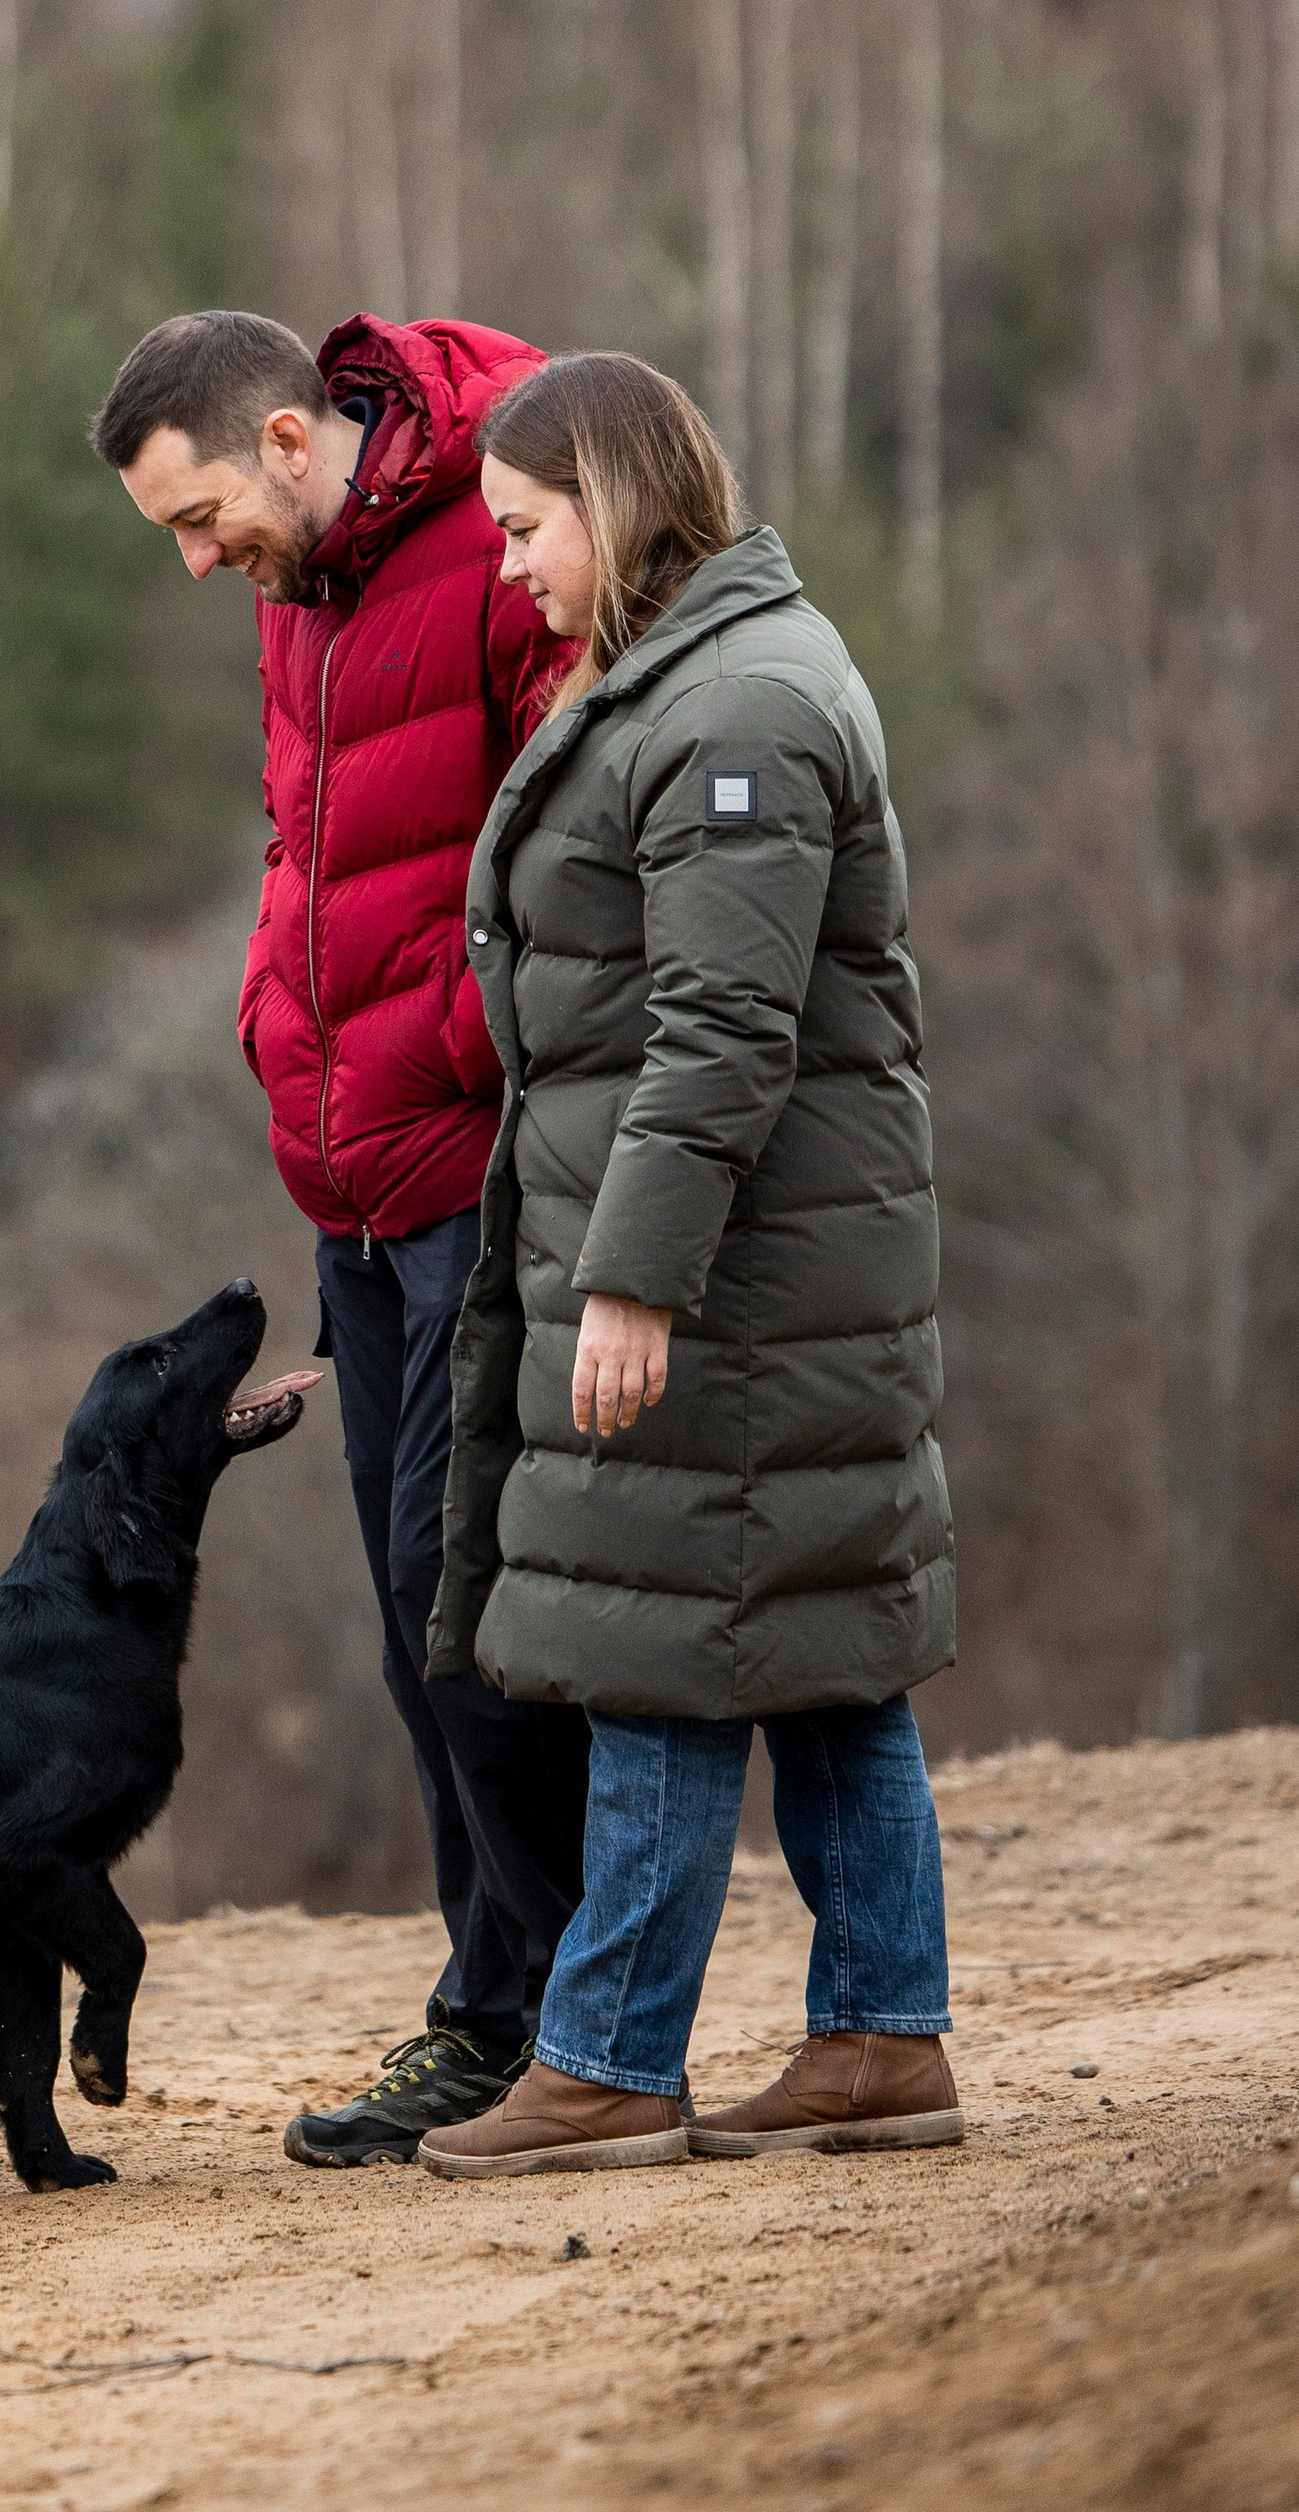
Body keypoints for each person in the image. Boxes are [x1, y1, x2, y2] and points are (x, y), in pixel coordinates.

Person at [415, 350, 961, 2178]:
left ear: (616, 501)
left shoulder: (736, 711)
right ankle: (883, 2041)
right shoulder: (692, 674)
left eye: (523, 529)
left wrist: (634, 1281)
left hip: (729, 1271)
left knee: (657, 1637)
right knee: (816, 1651)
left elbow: (722, 1030)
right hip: (757, 1254)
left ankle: (610, 2058)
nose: (510, 570)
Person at [92, 306, 590, 2162]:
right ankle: (508, 2010)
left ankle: (553, 2029)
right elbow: (308, 855)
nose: (199, 556)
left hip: (477, 1169)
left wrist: (451, 1048)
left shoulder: (504, 541)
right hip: (355, 1192)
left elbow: (569, 850)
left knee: (476, 1615)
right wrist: (277, 1032)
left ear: (294, 441)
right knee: (411, 1621)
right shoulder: (296, 589)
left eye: (203, 514)